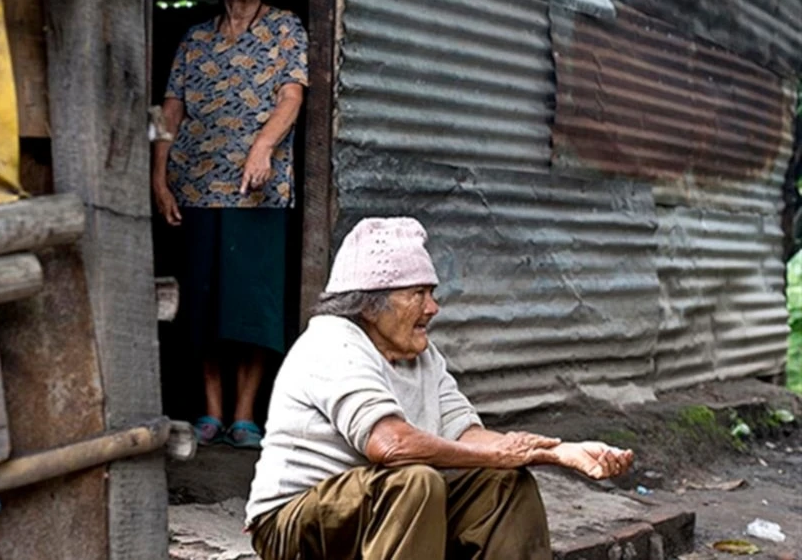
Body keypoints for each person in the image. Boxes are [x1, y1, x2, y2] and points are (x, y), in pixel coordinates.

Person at [245, 217, 635, 559]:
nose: (433, 308)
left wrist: (560, 452)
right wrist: (503, 454)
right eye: (418, 294)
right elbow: (390, 445)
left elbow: (468, 435)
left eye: (432, 293)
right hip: (290, 526)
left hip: (381, 516)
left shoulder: (421, 355)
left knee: (505, 483)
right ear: (368, 306)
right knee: (417, 481)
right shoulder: (332, 342)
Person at [151, 0, 308, 448]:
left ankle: (245, 415)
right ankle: (211, 412)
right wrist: (158, 177)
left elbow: (291, 96)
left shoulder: (285, 28)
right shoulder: (196, 38)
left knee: (251, 304)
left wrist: (261, 148)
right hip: (196, 185)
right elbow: (171, 108)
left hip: (258, 190)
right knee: (203, 302)